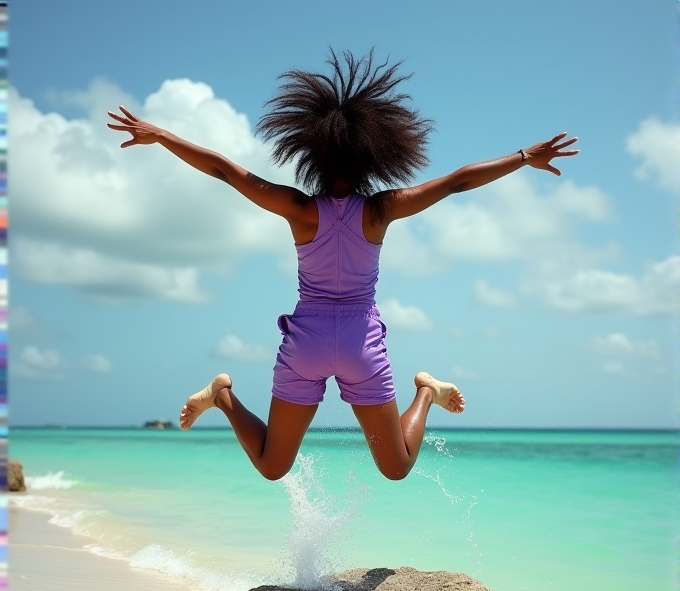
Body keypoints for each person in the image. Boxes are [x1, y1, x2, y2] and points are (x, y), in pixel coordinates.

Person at [107, 50, 578, 482]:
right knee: (316, 468)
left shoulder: (302, 207)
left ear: (311, 150)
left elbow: (228, 171)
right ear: (374, 153)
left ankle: (424, 390)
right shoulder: (379, 209)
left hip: (323, 338)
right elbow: (455, 182)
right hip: (343, 339)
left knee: (357, 468)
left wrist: (162, 135)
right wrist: (521, 158)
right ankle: (223, 395)